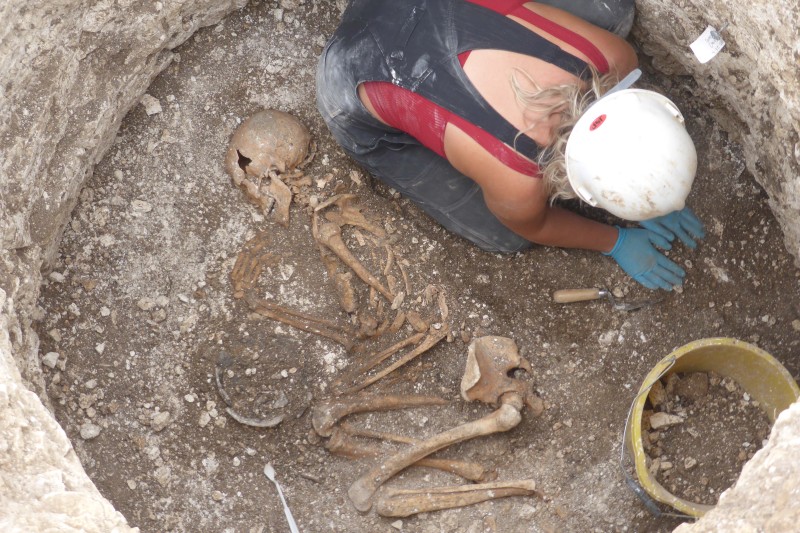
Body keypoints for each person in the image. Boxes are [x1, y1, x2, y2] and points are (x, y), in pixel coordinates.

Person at [316, 0, 705, 290]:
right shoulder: (516, 179)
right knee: (504, 233)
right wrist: (615, 240)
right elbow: (538, 224)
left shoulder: (612, 57)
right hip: (352, 72)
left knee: (611, 12)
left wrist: (646, 193)